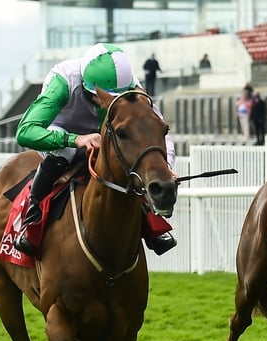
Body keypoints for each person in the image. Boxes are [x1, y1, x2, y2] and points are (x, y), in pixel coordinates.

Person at [14, 43, 177, 257]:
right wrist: (74, 139)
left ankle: (152, 222)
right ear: (85, 85)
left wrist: (166, 166)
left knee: (129, 163)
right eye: (100, 98)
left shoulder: (131, 87)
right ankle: (31, 219)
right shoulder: (63, 81)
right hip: (61, 133)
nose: (106, 104)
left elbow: (158, 130)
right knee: (65, 153)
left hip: (104, 135)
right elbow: (25, 132)